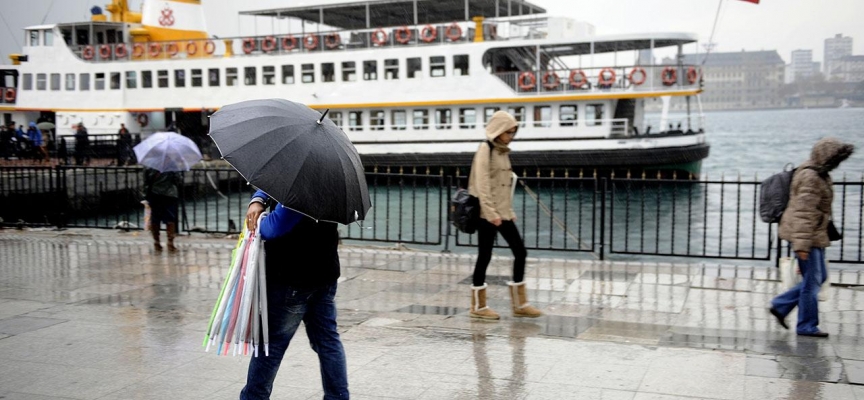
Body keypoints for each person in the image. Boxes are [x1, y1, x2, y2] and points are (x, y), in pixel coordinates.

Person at [242, 191, 349, 400]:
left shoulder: (299, 186)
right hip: (324, 272)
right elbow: (270, 186)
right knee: (328, 342)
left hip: (292, 277)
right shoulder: (329, 178)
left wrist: (258, 219)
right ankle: (338, 397)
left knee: (271, 346)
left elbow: (275, 227)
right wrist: (258, 199)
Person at [769, 137, 854, 338]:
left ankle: (781, 305)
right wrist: (802, 245)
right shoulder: (812, 177)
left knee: (817, 277)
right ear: (825, 156)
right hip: (808, 236)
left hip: (813, 233)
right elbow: (803, 212)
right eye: (835, 158)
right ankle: (806, 325)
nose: (837, 163)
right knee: (812, 281)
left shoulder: (818, 174)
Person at [467, 111, 543, 320]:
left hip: (502, 213)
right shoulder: (486, 149)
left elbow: (504, 186)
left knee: (520, 252)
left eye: (513, 132)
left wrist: (509, 212)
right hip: (487, 214)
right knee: (485, 256)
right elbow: (482, 184)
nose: (511, 135)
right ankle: (478, 307)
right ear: (498, 130)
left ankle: (520, 303)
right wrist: (491, 213)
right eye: (508, 132)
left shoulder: (502, 151)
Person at [142, 167, 182, 252]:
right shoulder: (172, 166)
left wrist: (145, 195)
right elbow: (178, 179)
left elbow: (146, 182)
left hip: (155, 195)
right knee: (170, 218)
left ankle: (157, 242)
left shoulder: (149, 166)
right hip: (170, 195)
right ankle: (170, 243)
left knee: (155, 218)